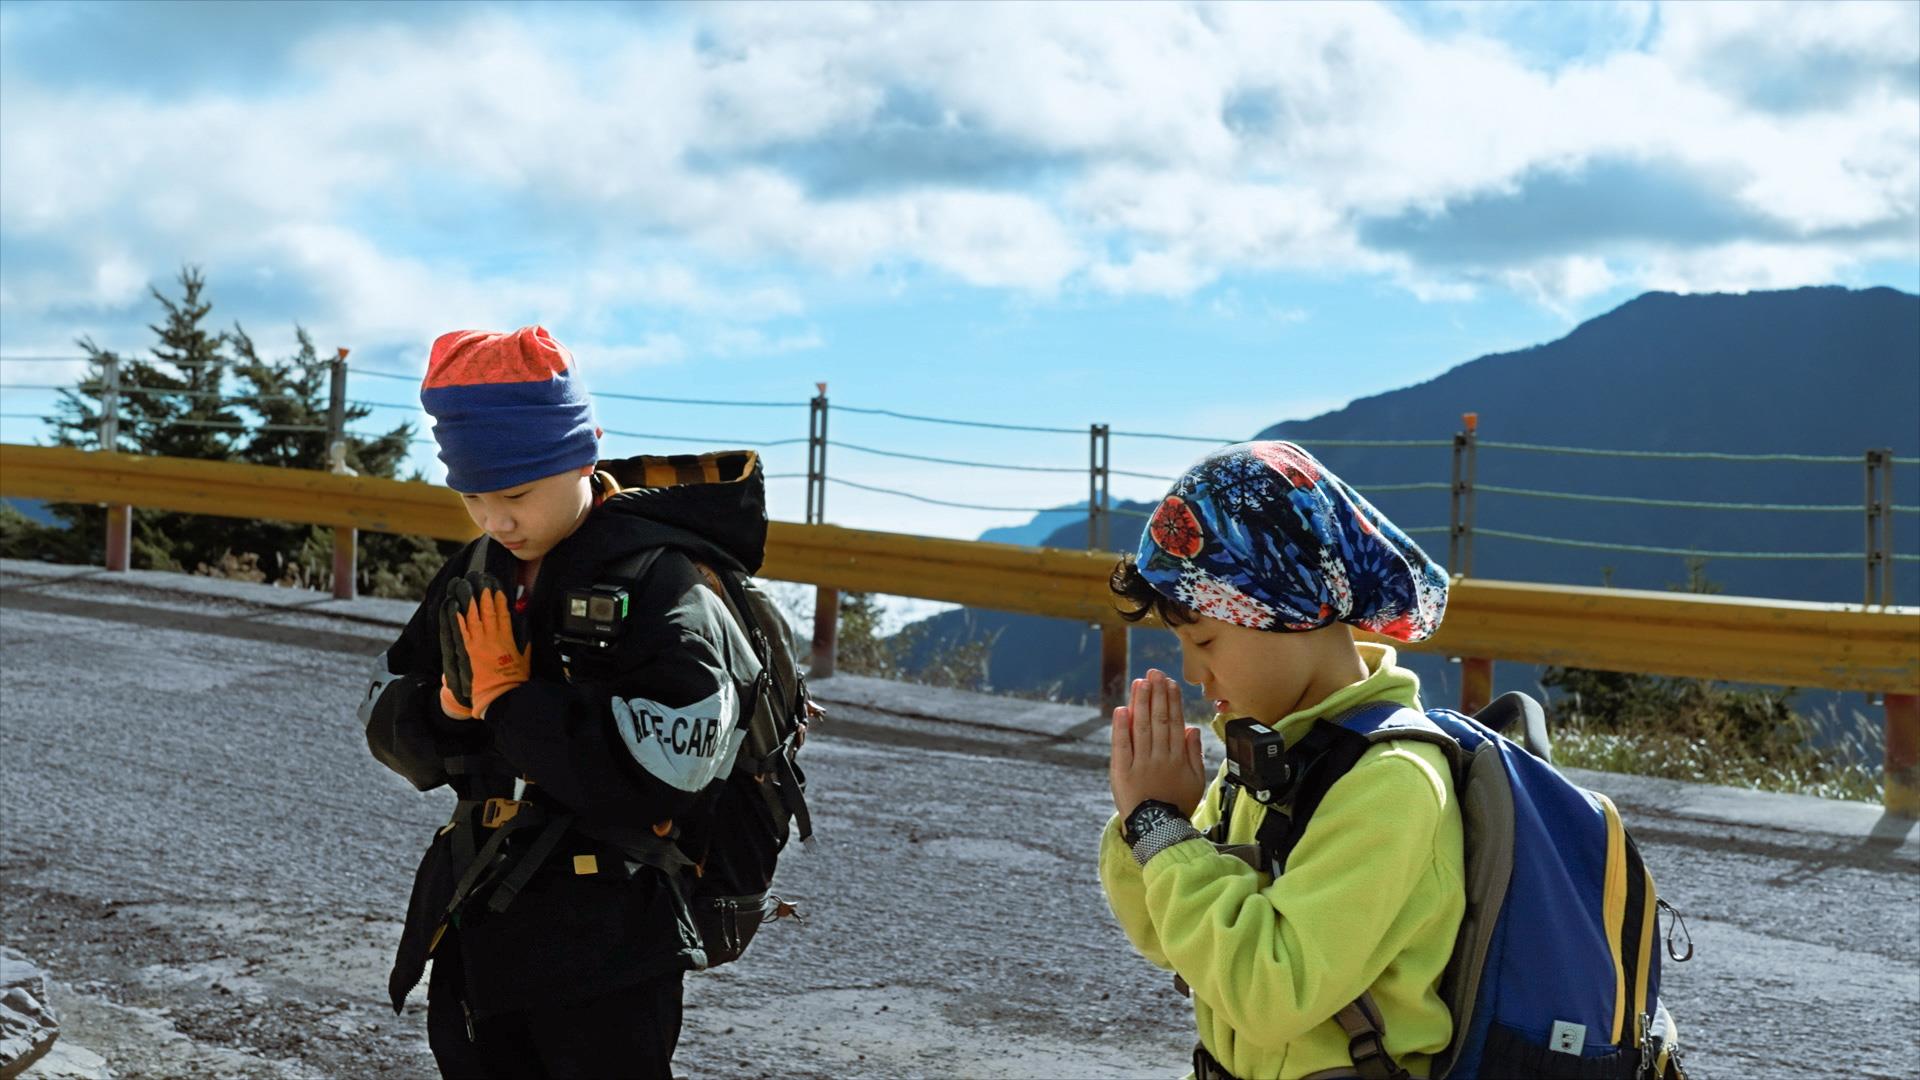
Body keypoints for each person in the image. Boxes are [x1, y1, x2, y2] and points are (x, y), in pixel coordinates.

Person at [357, 326, 766, 1079]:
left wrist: (509, 702)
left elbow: (664, 775)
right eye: (472, 497)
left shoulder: (666, 586)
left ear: (584, 453)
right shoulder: (479, 567)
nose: (495, 520)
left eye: (515, 495)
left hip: (610, 944)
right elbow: (386, 717)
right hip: (481, 920)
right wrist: (449, 709)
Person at [1098, 440, 1460, 1080]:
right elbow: (1172, 940)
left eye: (1205, 638)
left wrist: (1161, 829)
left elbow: (1270, 993)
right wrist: (1153, 825)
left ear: (1291, 611)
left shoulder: (1392, 782)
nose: (1192, 671)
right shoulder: (1273, 754)